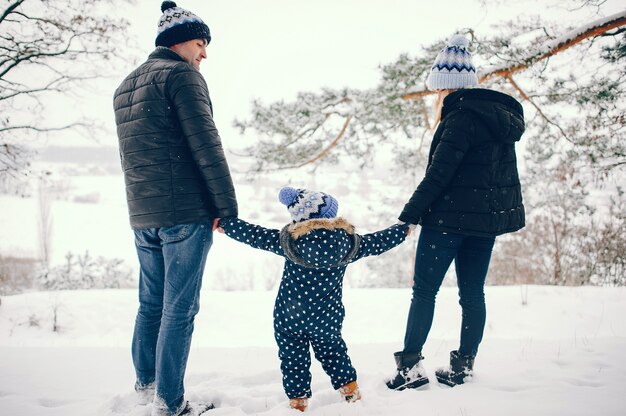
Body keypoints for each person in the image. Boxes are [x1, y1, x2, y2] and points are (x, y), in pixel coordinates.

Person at [113, 1, 238, 415]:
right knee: (178, 309)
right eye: (202, 43)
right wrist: (226, 207)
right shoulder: (182, 76)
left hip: (143, 215)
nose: (205, 53)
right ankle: (170, 403)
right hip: (184, 214)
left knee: (151, 304)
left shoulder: (126, 85)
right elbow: (206, 143)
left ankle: (146, 387)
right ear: (179, 41)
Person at [386, 34, 526, 390]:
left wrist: (409, 215)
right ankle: (463, 367)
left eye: (437, 91)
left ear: (446, 87)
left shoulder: (460, 118)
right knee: (472, 294)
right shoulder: (500, 119)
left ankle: (409, 370)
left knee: (424, 292)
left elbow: (439, 174)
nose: (436, 97)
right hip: (484, 226)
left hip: (447, 221)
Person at [214, 186, 410, 411]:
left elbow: (255, 235)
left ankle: (298, 403)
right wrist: (402, 230)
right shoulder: (348, 243)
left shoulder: (289, 242)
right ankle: (351, 392)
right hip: (327, 317)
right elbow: (379, 241)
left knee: (293, 359)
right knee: (334, 353)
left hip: (290, 316)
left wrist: (227, 225)